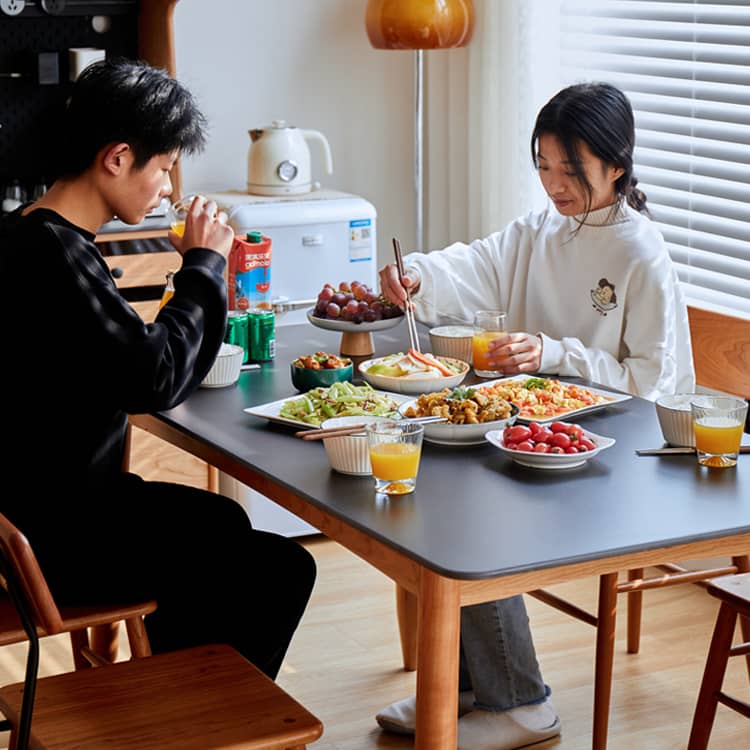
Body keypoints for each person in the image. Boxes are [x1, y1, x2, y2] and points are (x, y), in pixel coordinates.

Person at [376, 82, 695, 750]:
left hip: (619, 453)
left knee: (468, 506)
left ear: (616, 163)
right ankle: (469, 685)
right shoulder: (542, 229)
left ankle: (521, 703)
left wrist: (554, 351)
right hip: (543, 432)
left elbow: (652, 383)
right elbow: (481, 263)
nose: (554, 183)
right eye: (544, 166)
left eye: (569, 169)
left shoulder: (641, 252)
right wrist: (421, 279)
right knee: (439, 488)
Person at [0, 58, 315, 680]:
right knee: (282, 567)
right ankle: (196, 715)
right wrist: (202, 264)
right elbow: (153, 379)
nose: (170, 188)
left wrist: (195, 280)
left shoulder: (26, 235)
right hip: (52, 536)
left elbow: (128, 358)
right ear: (117, 158)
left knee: (221, 520)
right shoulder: (57, 254)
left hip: (25, 510)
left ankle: (172, 696)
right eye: (166, 168)